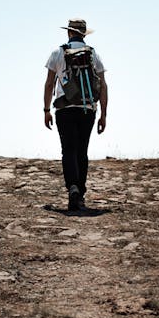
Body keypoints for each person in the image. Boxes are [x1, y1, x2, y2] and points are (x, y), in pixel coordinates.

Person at [44, 18, 108, 211]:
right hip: (87, 109)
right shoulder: (93, 54)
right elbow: (103, 85)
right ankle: (80, 191)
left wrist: (46, 110)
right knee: (82, 150)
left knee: (68, 150)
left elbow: (49, 84)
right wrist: (104, 114)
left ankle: (72, 187)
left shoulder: (58, 52)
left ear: (68, 33)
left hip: (64, 108)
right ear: (83, 34)